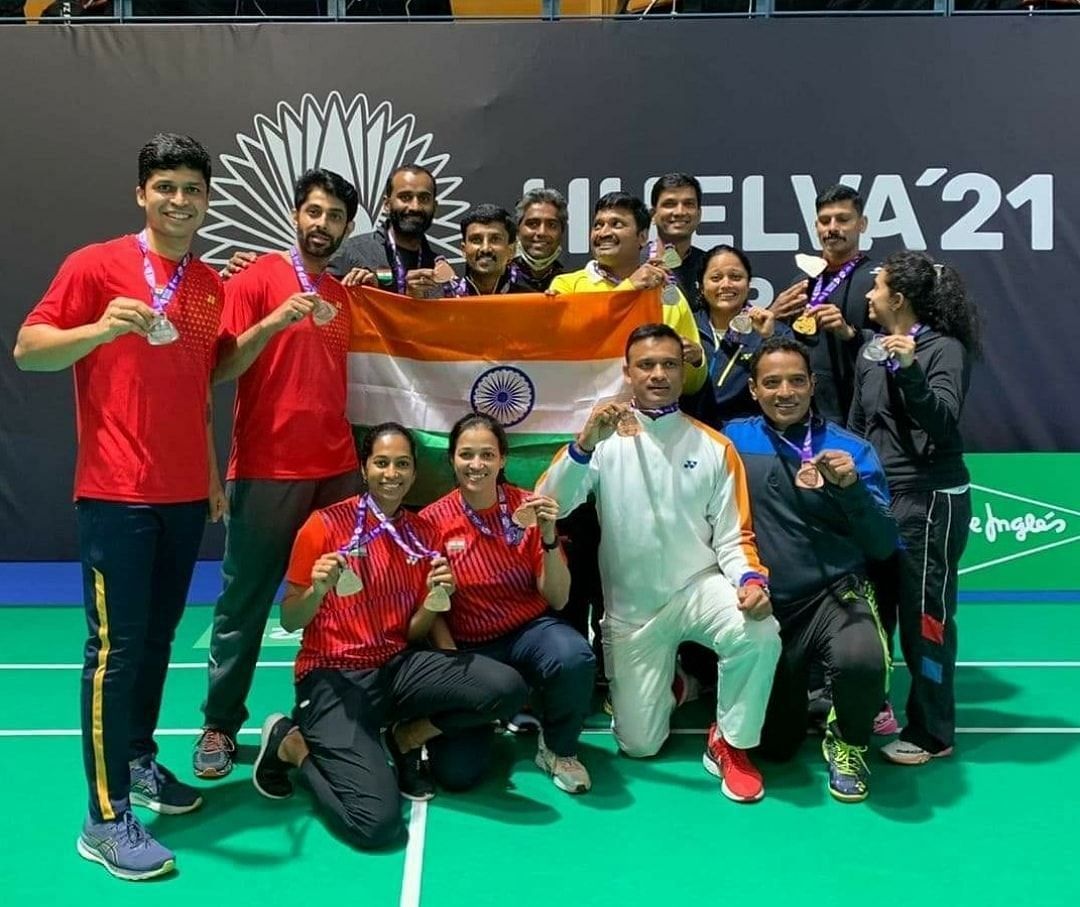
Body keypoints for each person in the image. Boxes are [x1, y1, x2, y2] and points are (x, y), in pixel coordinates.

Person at [14, 134, 225, 881]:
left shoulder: (207, 284)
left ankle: (138, 759)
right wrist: (100, 328)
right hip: (114, 492)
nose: (179, 201)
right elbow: (28, 349)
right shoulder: (94, 265)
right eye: (165, 187)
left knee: (159, 640)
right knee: (114, 653)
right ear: (142, 192)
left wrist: (210, 476)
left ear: (206, 199)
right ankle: (103, 819)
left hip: (182, 496)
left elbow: (201, 382)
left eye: (192, 189)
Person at [251, 424, 527, 848]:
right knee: (375, 826)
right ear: (364, 469)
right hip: (334, 676)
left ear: (414, 474)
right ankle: (293, 745)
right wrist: (317, 590)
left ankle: (403, 737)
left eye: (402, 464)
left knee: (505, 687)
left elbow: (414, 630)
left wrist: (436, 601)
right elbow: (290, 620)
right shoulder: (324, 525)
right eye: (381, 463)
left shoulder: (424, 534)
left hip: (396, 668)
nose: (391, 473)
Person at [537, 324, 781, 803]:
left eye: (669, 364)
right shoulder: (602, 440)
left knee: (759, 630)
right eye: (646, 365)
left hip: (699, 589)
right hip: (633, 612)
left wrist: (751, 580)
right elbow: (550, 504)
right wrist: (584, 443)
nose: (658, 374)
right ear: (627, 374)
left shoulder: (715, 446)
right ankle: (675, 685)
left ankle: (730, 744)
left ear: (682, 371)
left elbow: (735, 537)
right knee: (639, 745)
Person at [194, 169, 361, 779]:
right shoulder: (256, 279)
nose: (322, 225)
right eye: (313, 212)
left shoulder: (343, 296)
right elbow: (219, 368)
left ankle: (324, 717)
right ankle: (218, 725)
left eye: (335, 217)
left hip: (337, 471)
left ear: (347, 227)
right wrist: (273, 321)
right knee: (244, 604)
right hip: (267, 468)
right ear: (296, 214)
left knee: (335, 600)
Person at [724, 337, 896, 801]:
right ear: (754, 390)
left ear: (812, 385)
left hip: (835, 595)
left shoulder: (850, 450)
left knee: (861, 658)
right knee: (778, 746)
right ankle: (808, 709)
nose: (786, 392)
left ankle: (848, 741)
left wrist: (851, 489)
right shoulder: (731, 441)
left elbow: (882, 545)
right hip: (768, 604)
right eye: (772, 382)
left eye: (797, 380)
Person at [419, 413, 596, 794]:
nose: (476, 465)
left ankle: (558, 749)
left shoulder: (529, 508)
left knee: (573, 656)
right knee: (456, 775)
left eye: (487, 454)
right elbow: (431, 608)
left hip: (530, 632)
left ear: (503, 460)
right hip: (469, 646)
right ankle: (492, 712)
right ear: (451, 459)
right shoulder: (431, 522)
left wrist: (549, 539)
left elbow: (559, 597)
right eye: (466, 454)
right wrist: (453, 670)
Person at [850, 250, 979, 766]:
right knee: (872, 612)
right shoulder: (868, 351)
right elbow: (862, 429)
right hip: (880, 499)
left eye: (876, 287)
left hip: (930, 501)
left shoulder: (942, 350)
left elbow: (943, 422)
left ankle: (932, 732)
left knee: (925, 618)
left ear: (897, 298)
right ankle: (867, 710)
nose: (868, 295)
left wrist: (909, 369)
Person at [548, 191, 708, 396]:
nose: (603, 232)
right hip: (583, 416)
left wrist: (696, 361)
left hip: (649, 421)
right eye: (598, 225)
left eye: (616, 224)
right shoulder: (566, 285)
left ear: (642, 237)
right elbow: (572, 343)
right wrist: (630, 287)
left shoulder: (667, 293)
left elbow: (691, 387)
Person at [770, 184, 876, 423]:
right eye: (825, 221)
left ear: (862, 224)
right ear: (816, 226)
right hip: (804, 412)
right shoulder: (800, 282)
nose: (832, 228)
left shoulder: (879, 281)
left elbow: (893, 343)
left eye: (843, 219)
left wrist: (849, 334)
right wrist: (773, 315)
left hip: (858, 412)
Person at [683, 244, 792, 427]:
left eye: (735, 277)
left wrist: (768, 339)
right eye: (716, 278)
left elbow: (788, 386)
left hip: (749, 436)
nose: (726, 285)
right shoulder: (685, 326)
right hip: (690, 435)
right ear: (701, 286)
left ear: (749, 284)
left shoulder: (775, 331)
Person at [328, 164, 441, 293]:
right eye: (405, 197)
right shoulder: (349, 252)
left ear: (435, 207)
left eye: (424, 198)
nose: (415, 207)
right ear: (387, 204)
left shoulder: (439, 269)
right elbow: (324, 306)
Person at [429, 204, 523, 297]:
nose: (485, 249)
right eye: (476, 240)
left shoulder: (529, 298)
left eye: (495, 239)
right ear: (463, 250)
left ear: (512, 250)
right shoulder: (444, 298)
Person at [650, 173, 706, 308]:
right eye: (669, 204)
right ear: (653, 214)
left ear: (699, 215)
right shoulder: (632, 265)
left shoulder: (710, 266)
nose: (680, 212)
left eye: (688, 204)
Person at [511, 187, 568, 292]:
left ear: (562, 232)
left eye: (551, 225)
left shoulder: (569, 286)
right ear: (518, 230)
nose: (542, 232)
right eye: (532, 224)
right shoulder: (498, 283)